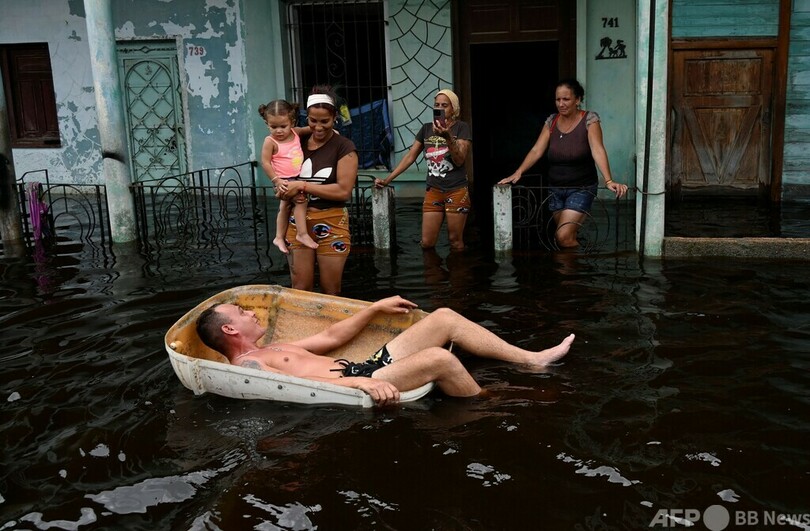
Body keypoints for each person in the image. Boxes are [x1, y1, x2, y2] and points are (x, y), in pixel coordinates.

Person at [196, 295, 575, 406]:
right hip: (359, 381)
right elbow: (295, 388)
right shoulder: (250, 367)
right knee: (442, 358)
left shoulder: (275, 346)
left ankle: (531, 359)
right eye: (242, 313)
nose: (251, 312)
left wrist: (375, 308)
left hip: (365, 366)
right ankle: (489, 403)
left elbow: (330, 337)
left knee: (444, 318)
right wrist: (359, 385)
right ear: (230, 330)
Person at [497, 79, 629, 248]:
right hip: (556, 189)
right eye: (558, 99)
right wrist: (519, 171)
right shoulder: (551, 121)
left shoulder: (589, 120)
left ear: (577, 100)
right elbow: (537, 150)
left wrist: (609, 180)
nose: (561, 103)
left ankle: (576, 271)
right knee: (566, 237)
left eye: (566, 99)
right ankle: (574, 270)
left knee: (563, 236)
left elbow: (597, 149)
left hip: (581, 188)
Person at [275, 86, 358, 295]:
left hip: (332, 222)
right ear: (306, 118)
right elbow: (280, 170)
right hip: (297, 224)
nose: (318, 127)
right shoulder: (296, 143)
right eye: (313, 120)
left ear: (335, 118)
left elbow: (343, 191)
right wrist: (282, 188)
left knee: (331, 290)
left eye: (324, 121)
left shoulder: (344, 147)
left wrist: (303, 186)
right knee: (301, 289)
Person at [374, 89, 472, 251]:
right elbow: (410, 157)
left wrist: (447, 137)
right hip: (433, 190)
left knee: (455, 241)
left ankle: (458, 275)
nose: (439, 108)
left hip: (456, 190)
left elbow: (460, 159)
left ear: (453, 109)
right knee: (426, 243)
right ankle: (433, 276)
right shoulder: (426, 129)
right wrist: (387, 180)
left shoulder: (461, 128)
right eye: (436, 105)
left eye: (444, 105)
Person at [258, 99, 318, 254]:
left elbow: (310, 129)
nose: (279, 131)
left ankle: (278, 237)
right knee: (301, 201)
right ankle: (302, 234)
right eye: (273, 126)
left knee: (284, 207)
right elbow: (265, 163)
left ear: (292, 122)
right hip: (283, 181)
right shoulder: (269, 141)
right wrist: (276, 181)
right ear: (267, 124)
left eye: (283, 126)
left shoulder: (295, 133)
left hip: (297, 177)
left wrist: (331, 132)